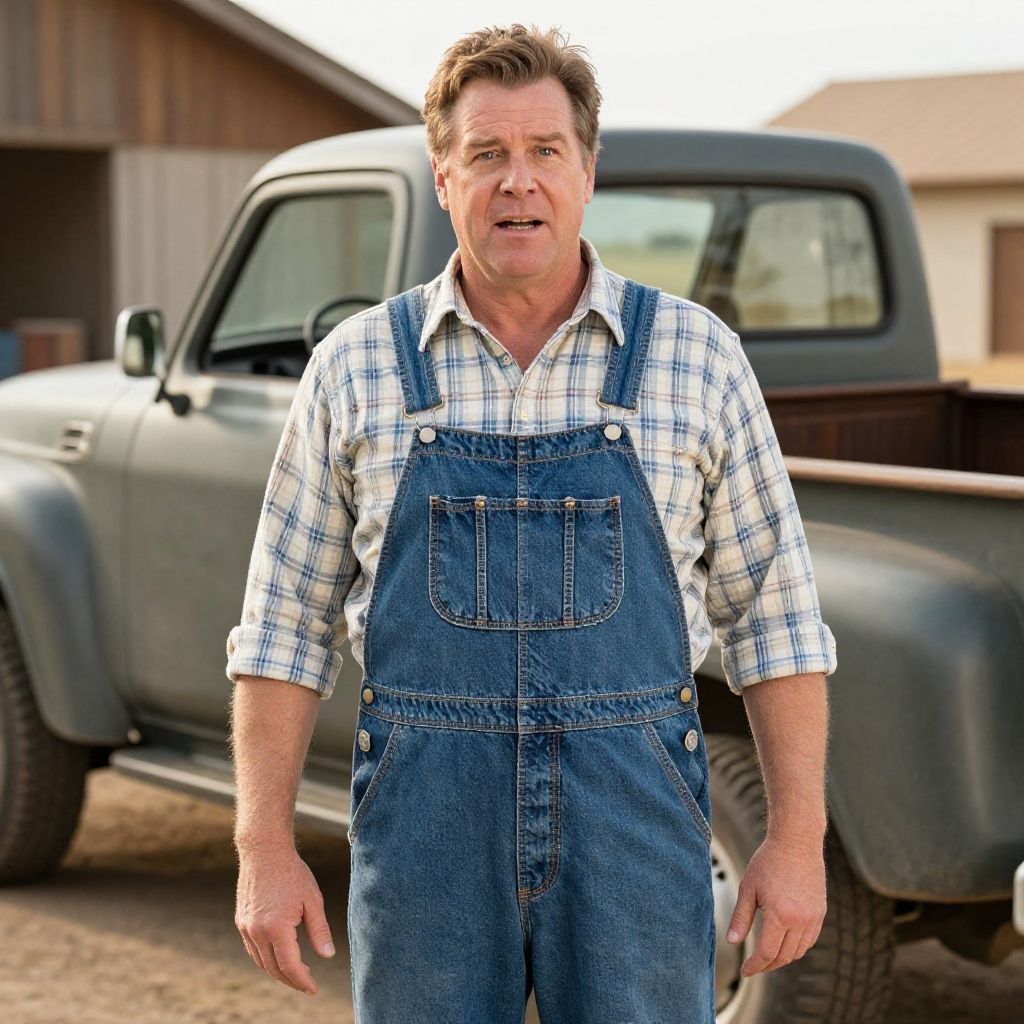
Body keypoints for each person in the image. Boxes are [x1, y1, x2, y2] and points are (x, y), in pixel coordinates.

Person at [226, 23, 837, 1021]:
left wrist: (797, 838)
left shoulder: (695, 359)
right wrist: (262, 846)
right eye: (487, 155)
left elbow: (775, 620)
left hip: (632, 822)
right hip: (426, 825)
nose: (518, 182)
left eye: (544, 152)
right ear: (442, 175)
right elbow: (281, 627)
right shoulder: (356, 367)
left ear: (587, 170)